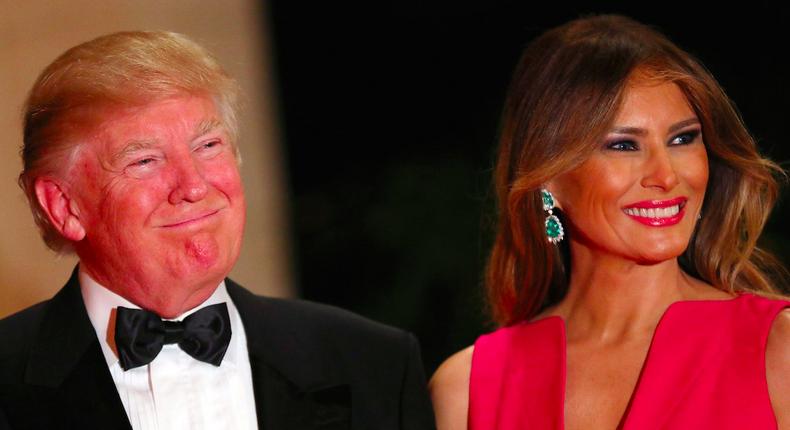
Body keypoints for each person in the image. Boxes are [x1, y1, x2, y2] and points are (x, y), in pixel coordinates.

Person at [0, 31, 435, 430]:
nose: (193, 186)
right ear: (64, 205)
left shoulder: (373, 364)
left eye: (208, 146)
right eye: (145, 161)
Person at [430, 15, 789, 430]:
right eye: (623, 145)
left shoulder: (777, 353)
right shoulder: (466, 391)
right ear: (548, 175)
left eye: (682, 139)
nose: (666, 175)